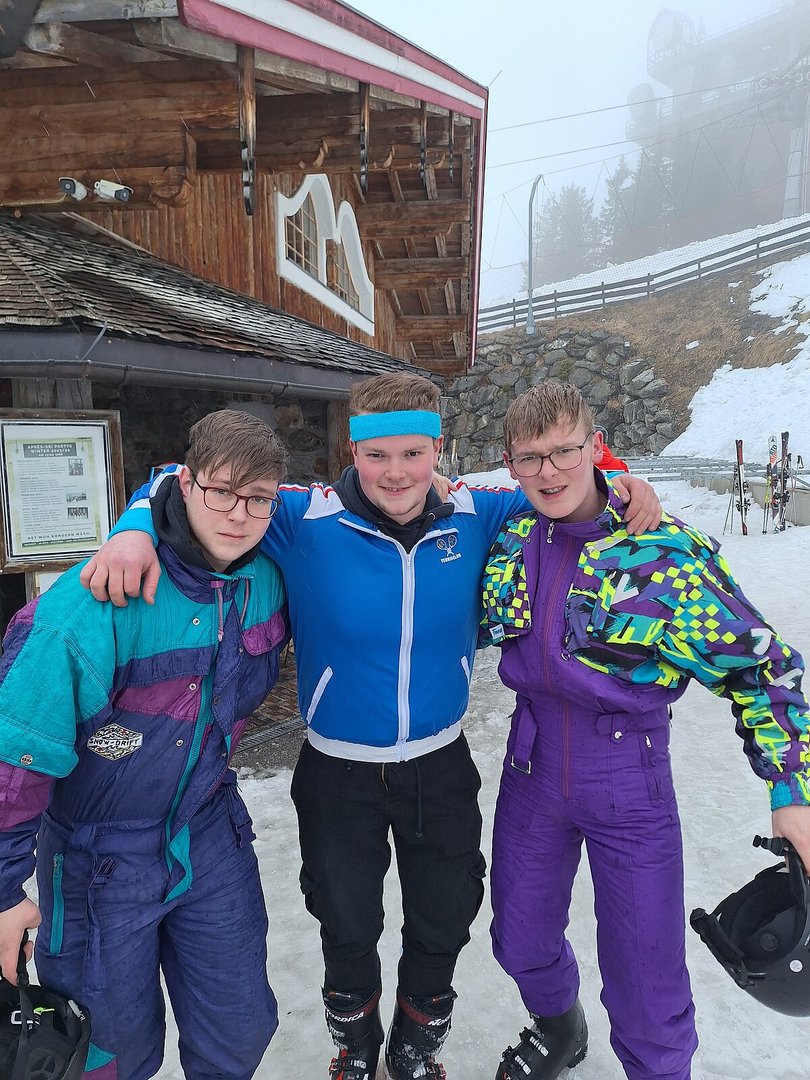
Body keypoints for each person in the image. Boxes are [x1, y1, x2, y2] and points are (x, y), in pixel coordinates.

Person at [77, 373, 662, 1080]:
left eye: (413, 453)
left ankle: (415, 1049)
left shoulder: (478, 513)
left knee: (444, 914)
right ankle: (355, 1049)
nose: (396, 472)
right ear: (351, 452)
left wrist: (621, 481)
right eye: (377, 454)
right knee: (346, 918)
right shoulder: (304, 518)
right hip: (337, 769)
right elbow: (178, 478)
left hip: (439, 764)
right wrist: (133, 531)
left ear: (438, 449)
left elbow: (563, 486)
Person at [478, 381, 810, 1080]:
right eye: (530, 457)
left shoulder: (662, 552)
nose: (549, 472)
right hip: (530, 768)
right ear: (509, 463)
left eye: (565, 451)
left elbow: (763, 669)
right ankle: (559, 1030)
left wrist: (792, 789)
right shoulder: (509, 536)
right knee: (519, 939)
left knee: (645, 981)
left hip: (628, 777)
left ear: (595, 447)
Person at [0, 410, 290, 1080]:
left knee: (240, 1026)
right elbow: (15, 757)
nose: (239, 513)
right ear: (185, 484)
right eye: (221, 490)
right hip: (98, 860)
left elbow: (379, 490)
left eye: (258, 498)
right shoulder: (91, 604)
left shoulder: (266, 583)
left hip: (209, 835)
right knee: (108, 1052)